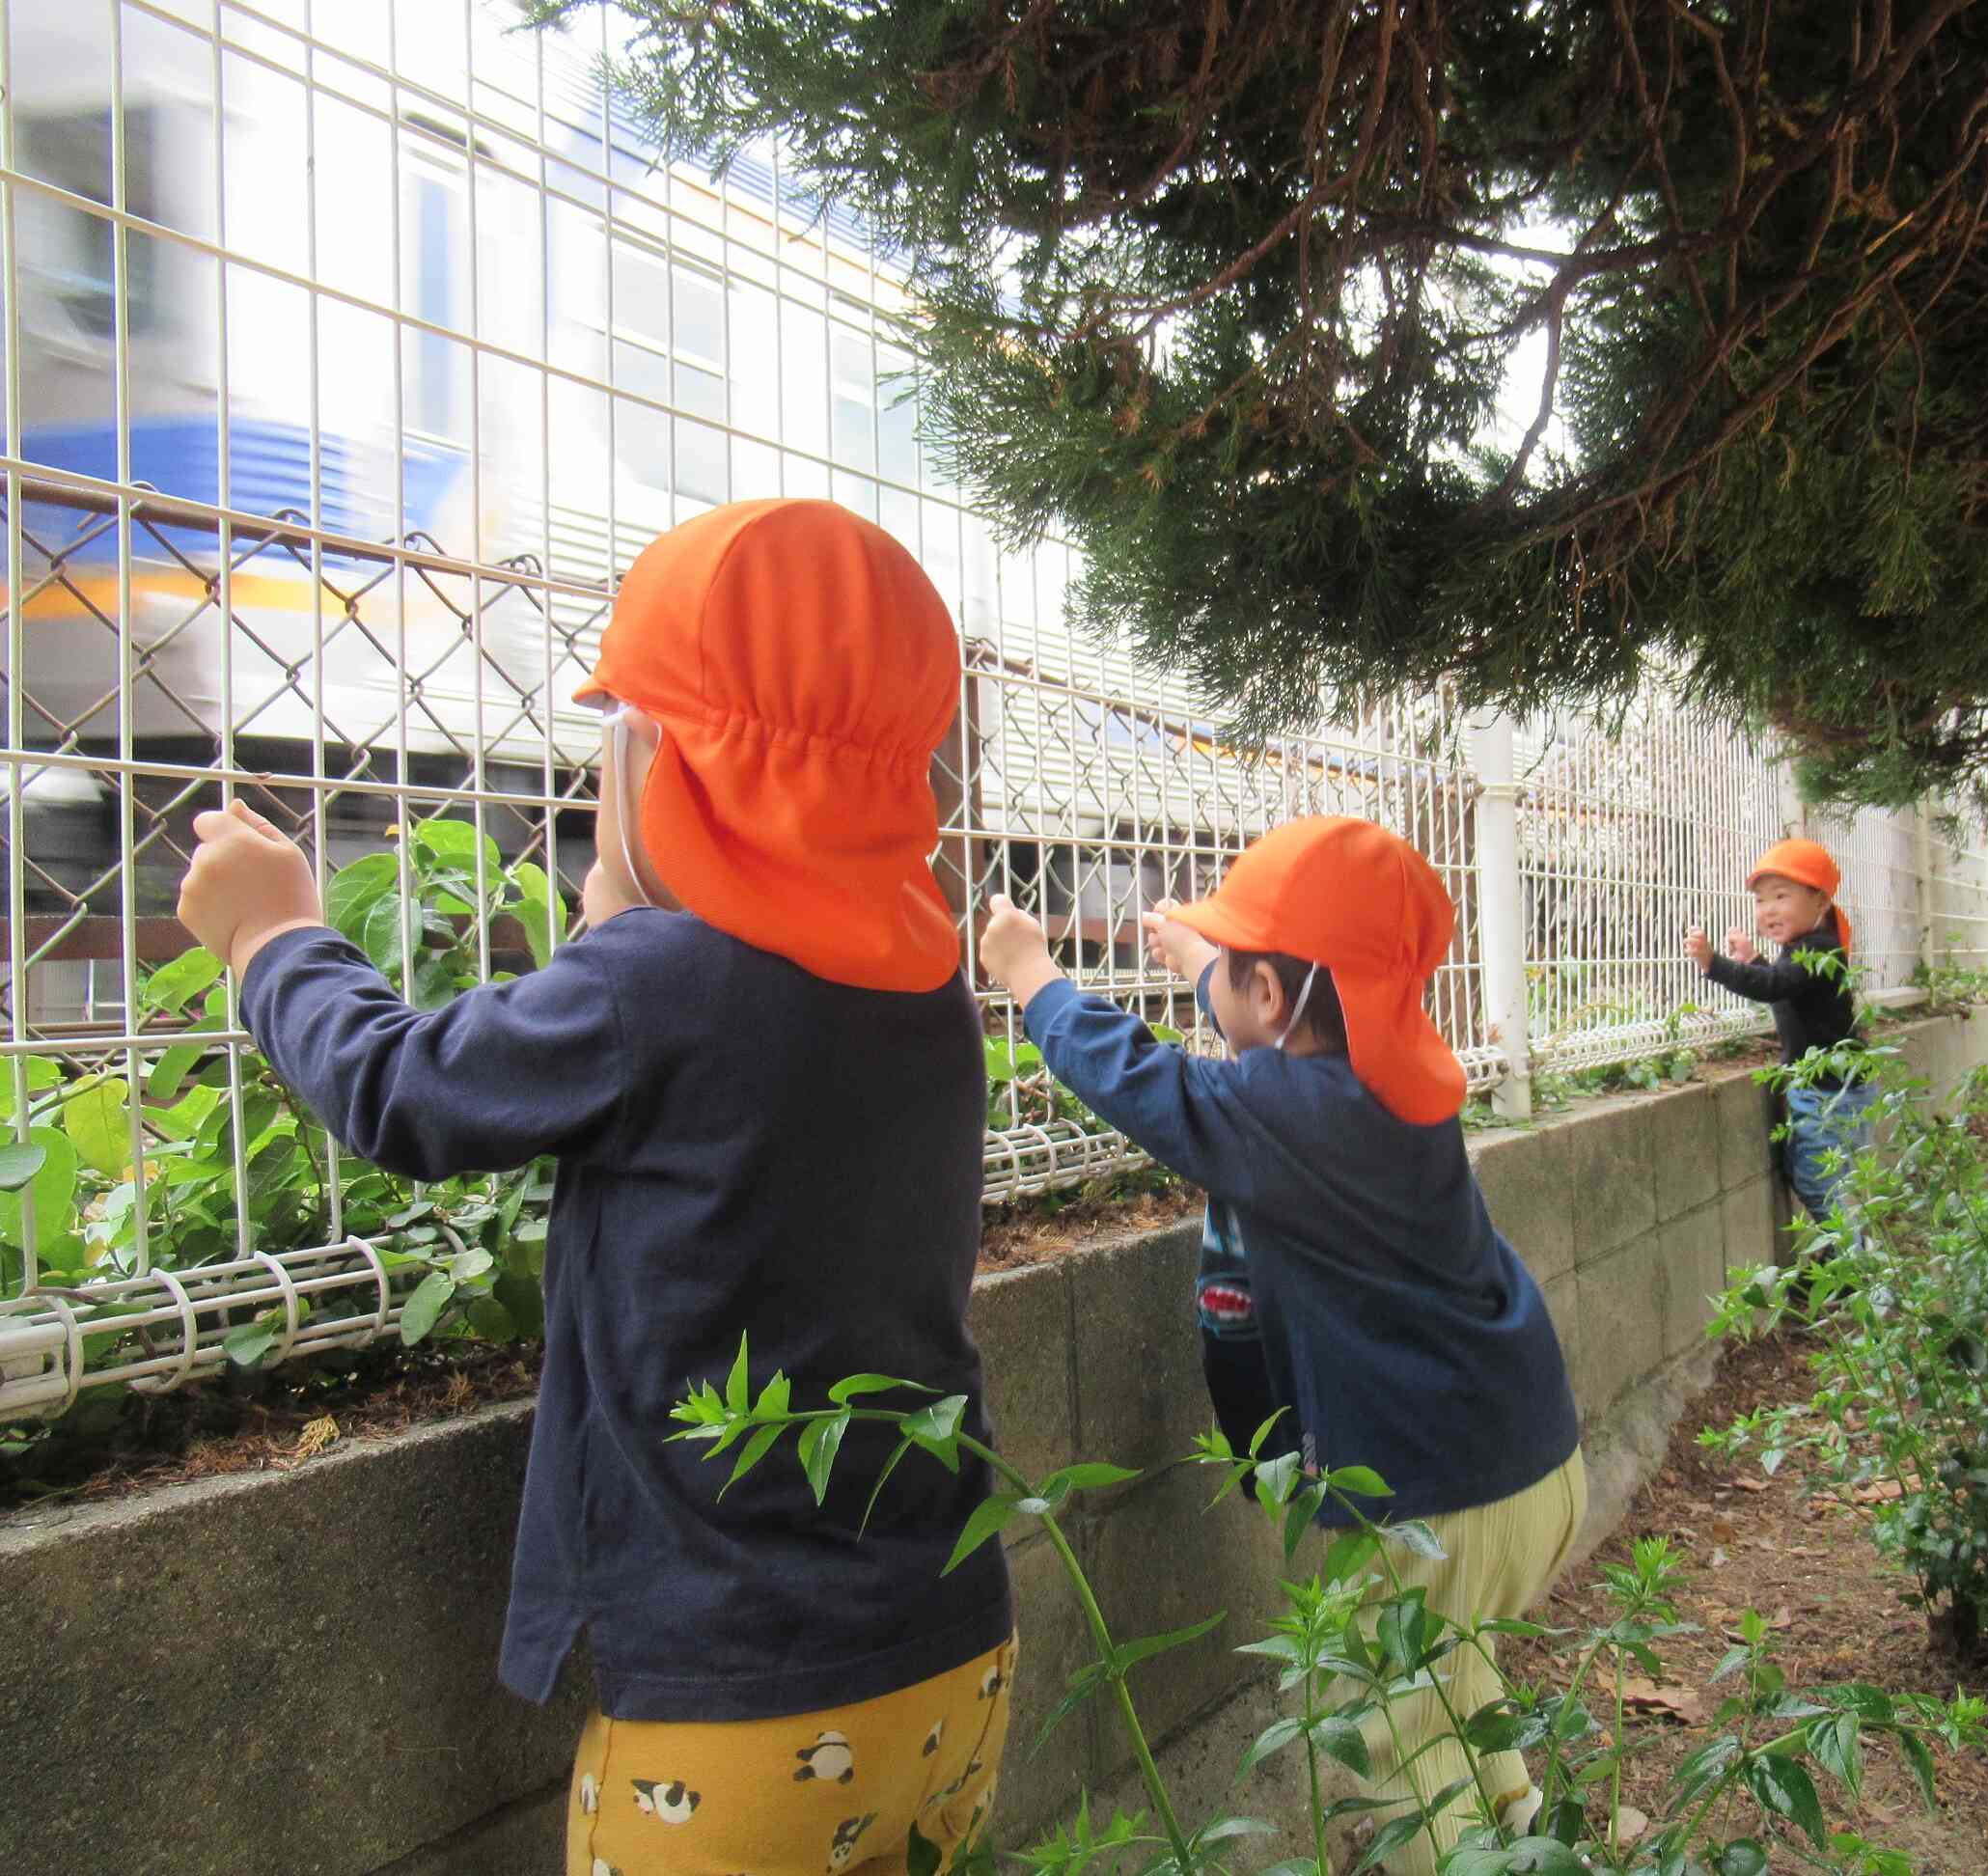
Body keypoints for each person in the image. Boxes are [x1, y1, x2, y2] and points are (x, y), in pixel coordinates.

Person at [177, 499, 1015, 1876]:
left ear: (669, 767)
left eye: (615, 743)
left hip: (737, 1715)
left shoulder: (654, 989)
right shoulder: (929, 993)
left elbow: (406, 1092)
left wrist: (276, 936)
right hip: (951, 1653)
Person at [977, 815, 1588, 1872]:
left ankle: (1453, 1858)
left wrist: (1034, 977)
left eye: (1235, 967)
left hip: (1425, 1500)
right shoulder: (1399, 1085)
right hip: (1532, 1462)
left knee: (1386, 1718)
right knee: (1447, 1670)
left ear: (1268, 1000)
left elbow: (1145, 1082)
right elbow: (1300, 1003)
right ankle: (1521, 1828)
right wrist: (1216, 958)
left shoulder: (1279, 1113)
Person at [1683, 838, 1870, 1226]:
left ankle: (1859, 1271)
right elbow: (1787, 988)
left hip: (1829, 1094)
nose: (1768, 910)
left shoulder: (1820, 949)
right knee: (1812, 1178)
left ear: (1820, 901)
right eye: (1760, 900)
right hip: (1826, 1088)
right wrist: (1753, 960)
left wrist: (1712, 963)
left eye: (1780, 896)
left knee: (1821, 1187)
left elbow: (1773, 987)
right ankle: (1844, 1263)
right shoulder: (1810, 945)